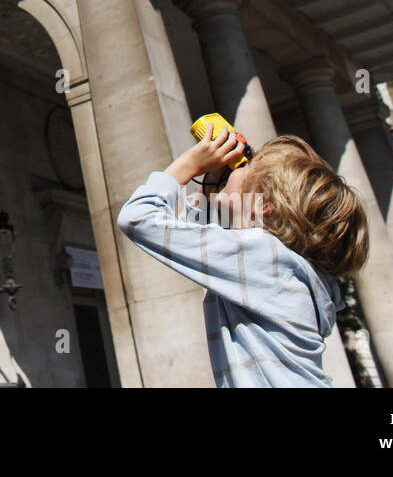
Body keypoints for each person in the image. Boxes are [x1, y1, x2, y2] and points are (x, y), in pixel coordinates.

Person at [116, 125, 369, 386]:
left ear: (266, 205)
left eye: (245, 167)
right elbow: (197, 243)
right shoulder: (280, 267)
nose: (235, 169)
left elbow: (138, 218)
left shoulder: (266, 258)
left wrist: (187, 165)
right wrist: (209, 188)